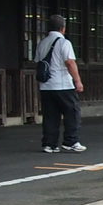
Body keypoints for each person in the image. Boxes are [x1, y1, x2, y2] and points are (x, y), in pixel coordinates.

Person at [36, 14, 84, 152]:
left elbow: (38, 63)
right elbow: (70, 62)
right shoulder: (64, 43)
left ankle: (49, 144)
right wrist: (78, 81)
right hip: (63, 85)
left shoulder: (42, 43)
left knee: (50, 115)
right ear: (63, 28)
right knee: (72, 112)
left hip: (46, 86)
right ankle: (71, 141)